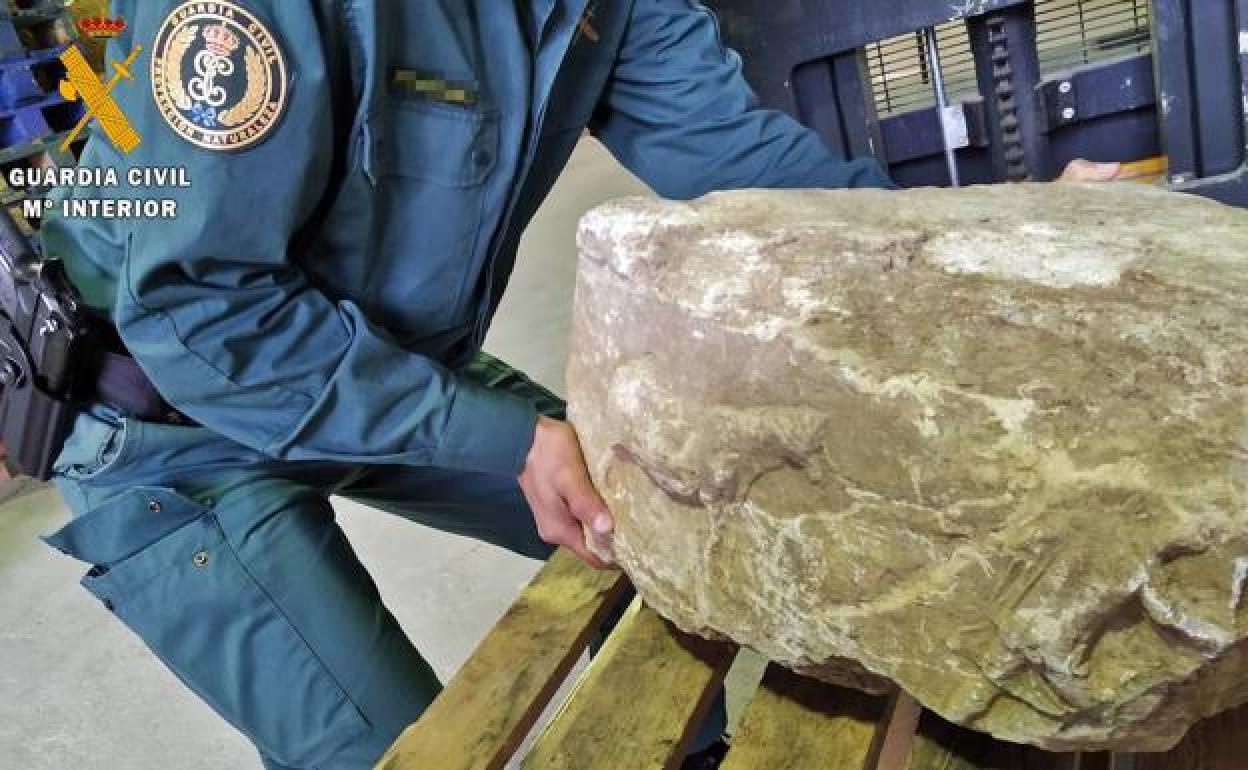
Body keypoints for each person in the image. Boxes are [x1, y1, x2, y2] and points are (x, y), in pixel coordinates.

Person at [39, 2, 1128, 768]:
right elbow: (199, 311)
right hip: (168, 423)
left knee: (647, 527)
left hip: (380, 356)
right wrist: (499, 437)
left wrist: (997, 229)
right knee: (392, 748)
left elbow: (745, 160)